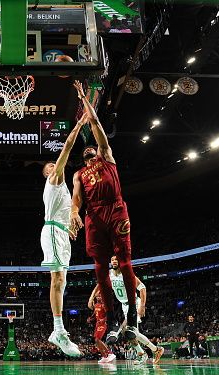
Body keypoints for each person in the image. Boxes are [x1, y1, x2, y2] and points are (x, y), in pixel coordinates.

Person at [70, 80, 138, 339]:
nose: (90, 150)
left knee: (125, 261)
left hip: (116, 209)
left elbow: (97, 127)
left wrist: (86, 104)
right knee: (100, 267)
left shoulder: (107, 157)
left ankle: (131, 313)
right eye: (86, 151)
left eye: (92, 148)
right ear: (83, 158)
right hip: (94, 215)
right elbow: (77, 199)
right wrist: (74, 212)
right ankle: (111, 318)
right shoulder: (79, 173)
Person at [41, 112, 89, 357]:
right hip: (51, 231)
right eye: (50, 166)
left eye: (54, 164)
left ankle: (58, 330)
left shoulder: (64, 190)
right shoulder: (54, 180)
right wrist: (79, 124)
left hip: (60, 233)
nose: (54, 165)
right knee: (57, 280)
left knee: (63, 282)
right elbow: (67, 148)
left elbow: (70, 207)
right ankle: (58, 330)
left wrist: (72, 216)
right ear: (48, 174)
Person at [105, 255, 164, 364]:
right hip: (124, 305)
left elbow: (142, 287)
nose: (114, 261)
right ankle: (154, 350)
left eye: (116, 259)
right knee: (129, 333)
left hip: (134, 303)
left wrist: (142, 306)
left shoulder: (127, 273)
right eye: (112, 260)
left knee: (128, 331)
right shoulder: (109, 274)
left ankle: (144, 353)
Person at [87, 290, 116, 363]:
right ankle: (104, 356)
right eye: (97, 297)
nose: (98, 298)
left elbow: (109, 315)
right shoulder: (96, 305)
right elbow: (95, 314)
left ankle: (110, 353)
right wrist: (90, 319)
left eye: (99, 296)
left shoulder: (104, 305)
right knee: (96, 341)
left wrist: (103, 320)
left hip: (103, 324)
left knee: (97, 339)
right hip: (97, 324)